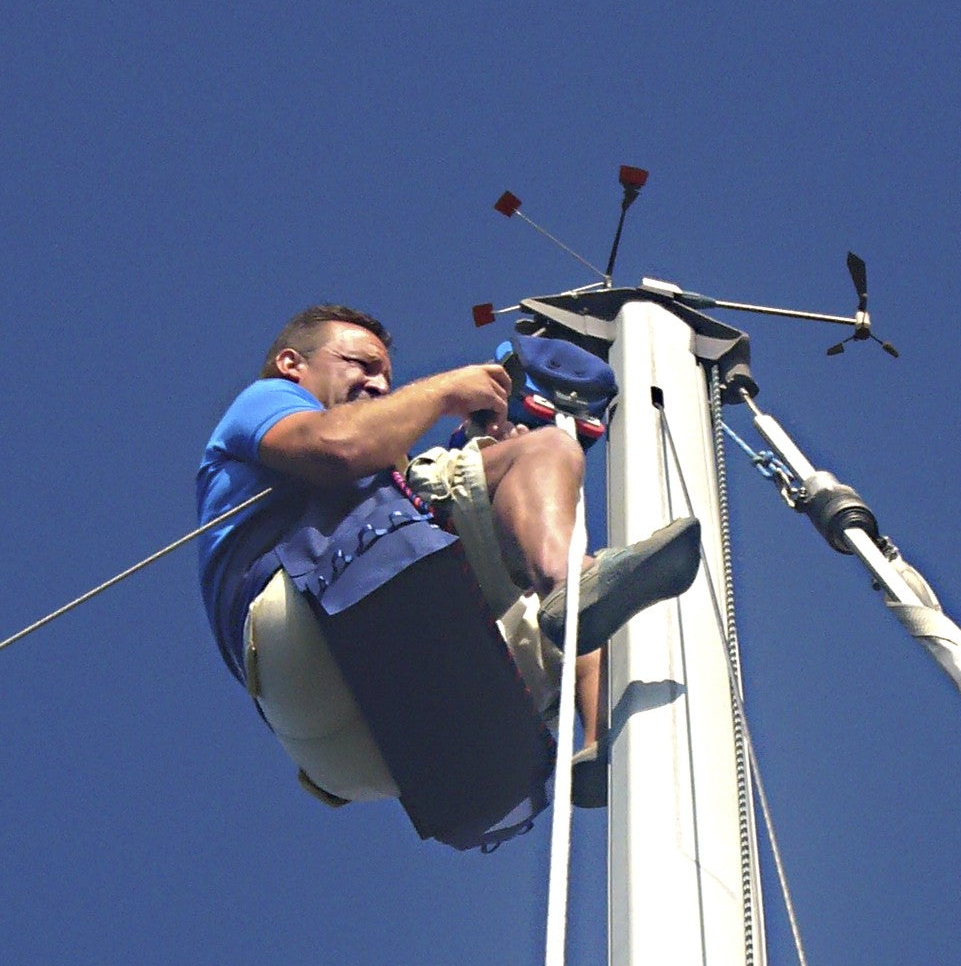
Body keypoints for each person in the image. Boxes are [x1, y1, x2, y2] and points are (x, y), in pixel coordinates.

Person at [197, 304, 700, 818]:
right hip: (305, 627)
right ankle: (566, 584)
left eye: (385, 376)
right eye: (360, 364)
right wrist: (448, 392)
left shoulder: (382, 471)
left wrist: (499, 453)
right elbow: (338, 448)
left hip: (364, 749)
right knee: (546, 453)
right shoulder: (269, 401)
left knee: (591, 599)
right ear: (291, 363)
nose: (376, 384)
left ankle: (600, 747)